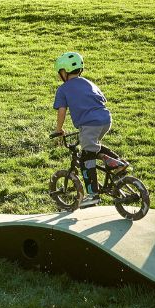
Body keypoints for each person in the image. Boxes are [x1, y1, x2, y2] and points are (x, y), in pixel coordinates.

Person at [52, 51, 111, 208]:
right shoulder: (88, 83)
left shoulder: (63, 89)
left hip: (89, 124)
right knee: (92, 147)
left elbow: (62, 110)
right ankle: (117, 163)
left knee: (86, 159)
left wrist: (59, 129)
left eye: (60, 72)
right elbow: (101, 99)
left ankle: (93, 195)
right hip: (106, 120)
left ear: (64, 71)